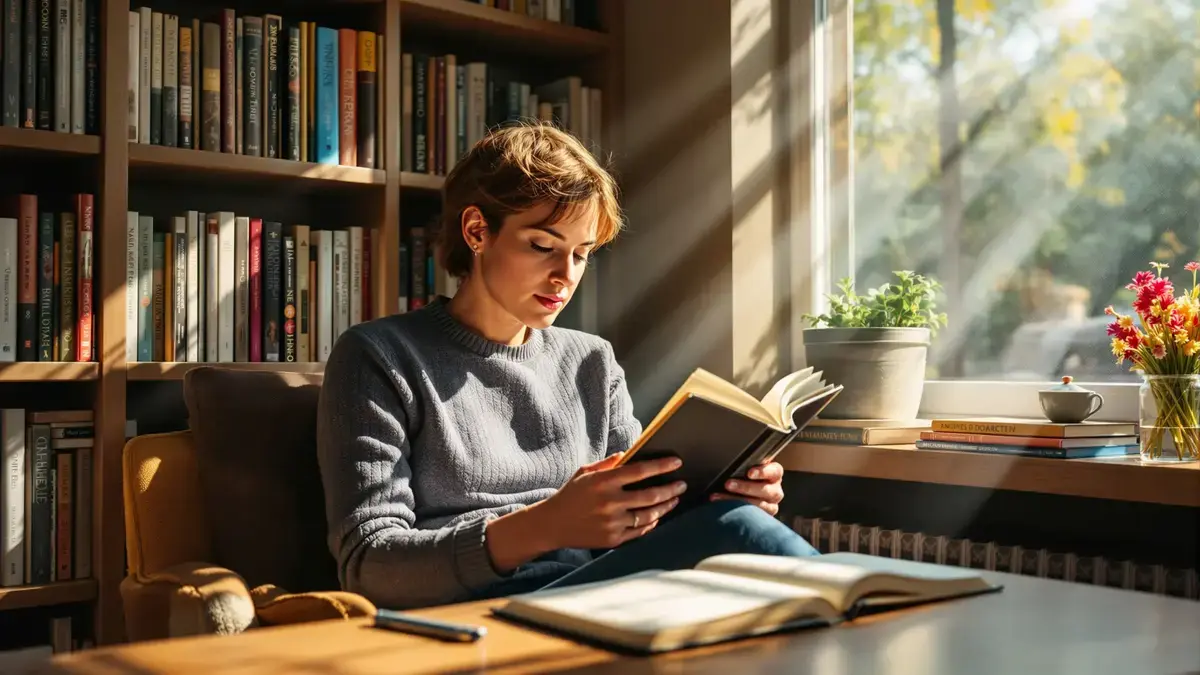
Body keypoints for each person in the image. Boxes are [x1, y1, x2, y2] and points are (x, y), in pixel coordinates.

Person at [315, 122, 819, 612]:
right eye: (543, 246)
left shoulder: (590, 362)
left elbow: (641, 521)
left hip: (599, 593)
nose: (566, 275)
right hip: (480, 613)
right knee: (740, 534)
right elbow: (369, 564)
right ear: (476, 231)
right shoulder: (380, 355)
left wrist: (725, 496)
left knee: (736, 527)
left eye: (582, 254)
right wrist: (546, 525)